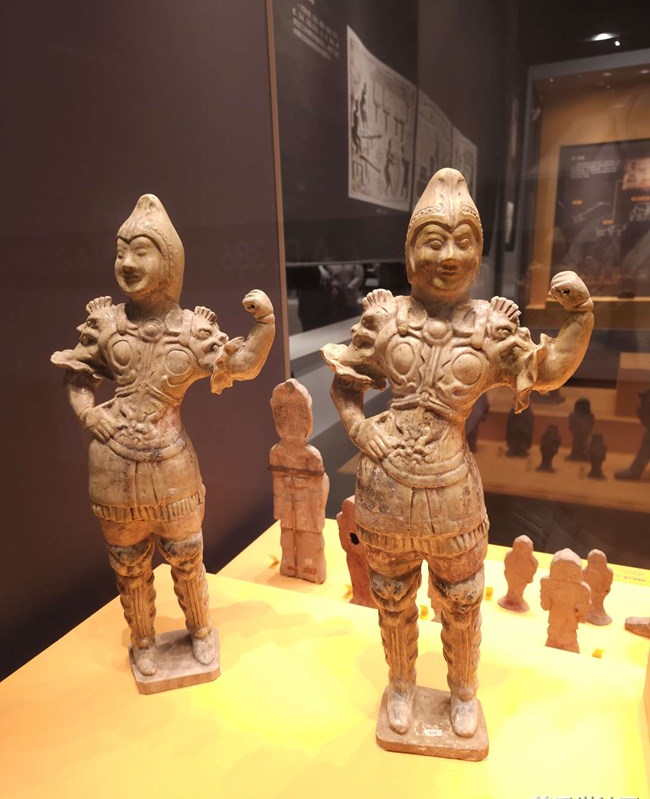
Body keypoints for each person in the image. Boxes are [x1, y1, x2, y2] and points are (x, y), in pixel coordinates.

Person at [322, 169, 593, 740]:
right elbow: (346, 384)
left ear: (479, 255)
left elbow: (544, 371)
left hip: (452, 494)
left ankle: (463, 691)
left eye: (463, 241)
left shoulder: (491, 329)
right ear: (409, 253)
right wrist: (360, 430)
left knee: (464, 600)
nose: (448, 255)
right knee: (391, 596)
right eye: (433, 241)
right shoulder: (386, 320)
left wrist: (580, 320)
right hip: (386, 489)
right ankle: (401, 684)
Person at [52, 195, 275, 676]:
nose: (128, 263)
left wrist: (265, 326)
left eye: (141, 251)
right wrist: (89, 416)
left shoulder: (192, 331)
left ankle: (200, 631)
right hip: (112, 465)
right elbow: (77, 378)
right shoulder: (107, 325)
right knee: (128, 564)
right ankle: (144, 641)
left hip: (172, 465)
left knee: (188, 556)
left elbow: (239, 364)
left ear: (170, 263)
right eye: (121, 252)